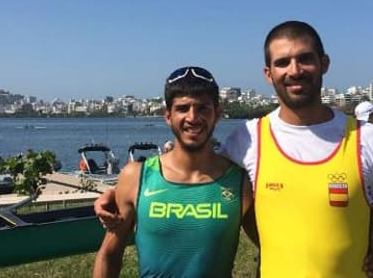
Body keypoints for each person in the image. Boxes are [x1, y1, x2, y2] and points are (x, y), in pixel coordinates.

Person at [95, 21, 373, 277]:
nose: (294, 70)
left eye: (305, 59)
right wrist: (118, 191)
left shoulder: (368, 139)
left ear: (324, 63)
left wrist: (370, 243)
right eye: (283, 62)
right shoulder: (247, 139)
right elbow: (195, 169)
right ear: (269, 74)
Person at [92, 66, 255, 277]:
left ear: (218, 114)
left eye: (203, 108)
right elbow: (109, 255)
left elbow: (272, 250)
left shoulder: (239, 182)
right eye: (183, 108)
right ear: (168, 116)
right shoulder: (136, 176)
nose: (193, 117)